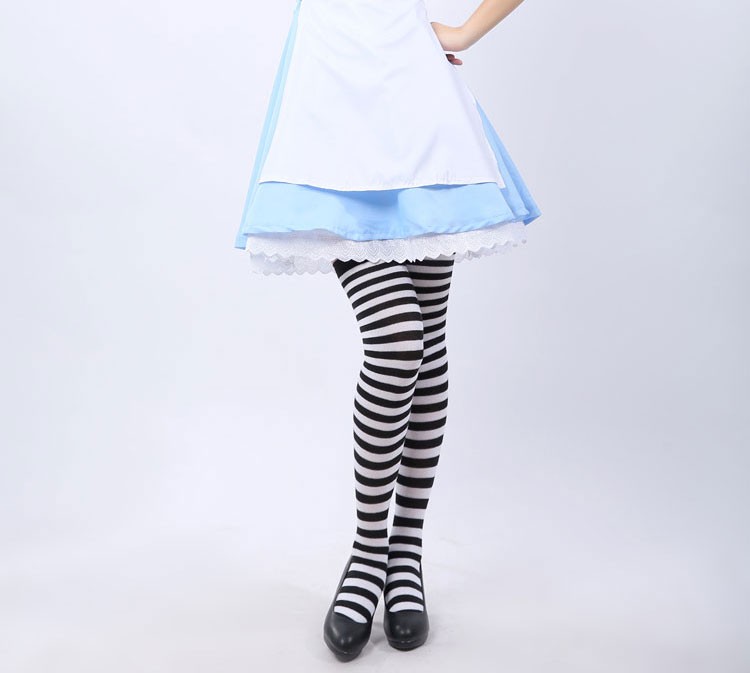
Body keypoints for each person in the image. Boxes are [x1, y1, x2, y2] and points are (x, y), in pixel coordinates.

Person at [234, 0, 540, 661]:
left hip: (419, 100)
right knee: (400, 343)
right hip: (332, 100)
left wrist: (465, 32)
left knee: (424, 344)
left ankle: (405, 554)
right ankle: (369, 552)